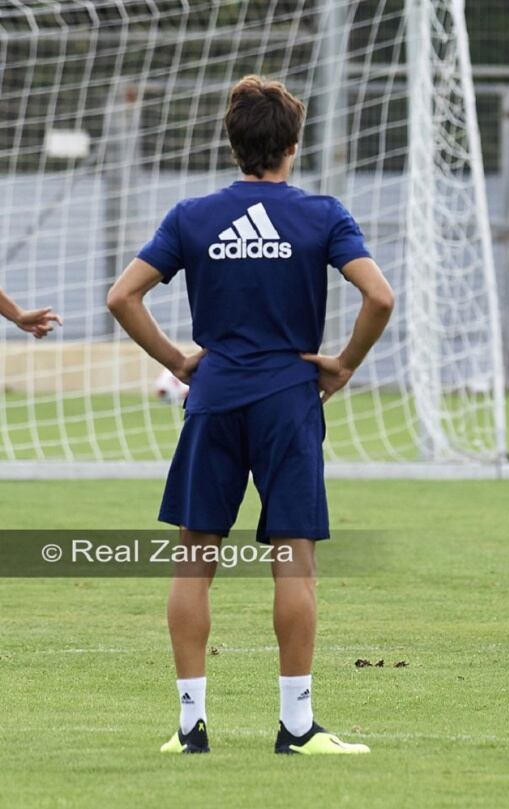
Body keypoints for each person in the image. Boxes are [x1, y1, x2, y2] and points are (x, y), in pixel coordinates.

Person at [107, 76, 394, 753]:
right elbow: (378, 297)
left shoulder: (192, 215)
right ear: (293, 144)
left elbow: (122, 296)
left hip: (214, 399)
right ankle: (295, 725)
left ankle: (189, 726)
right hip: (288, 402)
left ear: (233, 143)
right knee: (294, 561)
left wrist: (180, 362)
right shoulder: (321, 214)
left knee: (194, 559)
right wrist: (345, 363)